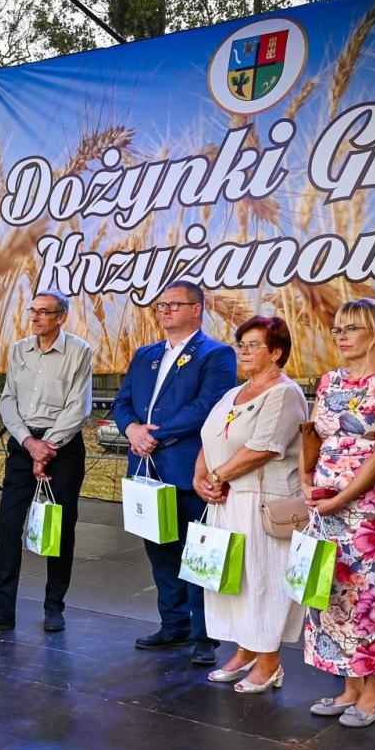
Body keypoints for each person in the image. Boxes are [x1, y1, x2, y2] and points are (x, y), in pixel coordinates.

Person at [111, 281, 238, 665]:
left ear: (196, 309)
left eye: (174, 304)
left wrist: (155, 435)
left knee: (197, 554)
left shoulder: (216, 354)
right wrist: (132, 430)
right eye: (161, 305)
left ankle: (204, 636)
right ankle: (173, 625)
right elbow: (122, 402)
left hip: (189, 469)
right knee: (161, 552)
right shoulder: (145, 354)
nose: (164, 310)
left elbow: (208, 406)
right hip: (147, 471)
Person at [302, 299, 375, 729]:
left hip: (364, 508)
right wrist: (307, 480)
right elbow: (313, 436)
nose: (342, 336)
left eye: (351, 328)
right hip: (323, 501)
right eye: (338, 329)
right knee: (330, 591)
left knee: (369, 596)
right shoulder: (330, 381)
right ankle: (348, 686)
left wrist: (343, 497)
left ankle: (371, 694)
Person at [0, 289, 93, 634]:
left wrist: (47, 446)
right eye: (32, 310)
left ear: (61, 317)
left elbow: (78, 407)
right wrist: (28, 443)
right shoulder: (19, 349)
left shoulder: (79, 351)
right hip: (24, 445)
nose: (35, 317)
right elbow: (8, 401)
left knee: (60, 528)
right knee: (7, 524)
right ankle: (2, 609)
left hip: (62, 448)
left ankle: (54, 606)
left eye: (44, 312)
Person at [194, 316, 308, 692]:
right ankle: (245, 650)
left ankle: (270, 661)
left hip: (263, 503)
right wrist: (200, 477)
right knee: (235, 581)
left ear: (276, 352)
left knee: (264, 581)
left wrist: (217, 476)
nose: (244, 351)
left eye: (253, 345)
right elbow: (210, 438)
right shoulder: (233, 393)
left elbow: (262, 448)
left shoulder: (284, 393)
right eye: (241, 345)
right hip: (226, 500)